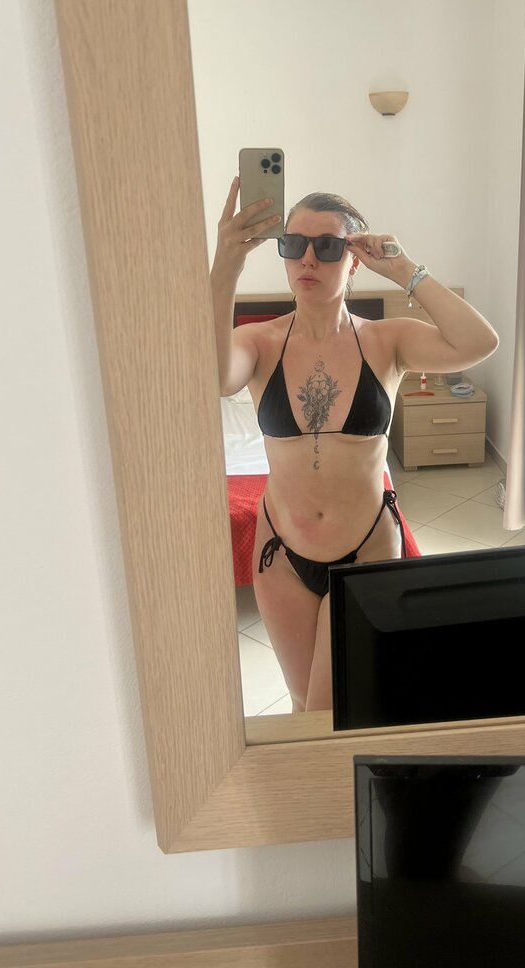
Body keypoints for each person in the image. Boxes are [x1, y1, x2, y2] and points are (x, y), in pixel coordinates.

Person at [211, 177, 498, 713]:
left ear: (354, 260)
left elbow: (478, 342)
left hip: (368, 547)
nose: (308, 259)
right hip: (282, 553)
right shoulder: (259, 342)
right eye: (294, 244)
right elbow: (210, 375)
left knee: (336, 708)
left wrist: (405, 270)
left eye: (327, 246)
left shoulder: (386, 340)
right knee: (304, 705)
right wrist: (227, 262)